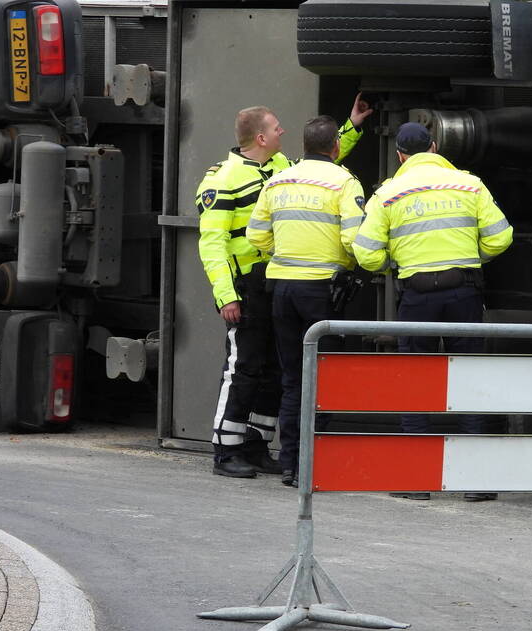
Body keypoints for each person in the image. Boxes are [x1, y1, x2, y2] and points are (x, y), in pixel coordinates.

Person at [196, 96, 372, 478]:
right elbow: (211, 243)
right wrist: (226, 295)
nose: (283, 132)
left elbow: (322, 163)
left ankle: (258, 444)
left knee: (276, 368)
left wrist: (351, 127)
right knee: (242, 367)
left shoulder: (280, 168)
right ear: (261, 137)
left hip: (275, 280)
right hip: (244, 287)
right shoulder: (222, 178)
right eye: (277, 128)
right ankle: (226, 451)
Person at [352, 122, 513, 501]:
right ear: (436, 146)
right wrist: (473, 260)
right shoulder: (469, 184)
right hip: (464, 292)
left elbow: (365, 252)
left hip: (416, 296)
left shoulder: (388, 194)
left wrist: (394, 263)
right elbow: (501, 236)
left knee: (416, 381)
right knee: (470, 379)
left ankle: (418, 480)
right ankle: (474, 483)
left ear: (400, 155)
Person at [247, 115, 367, 487]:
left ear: (304, 144)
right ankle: (311, 465)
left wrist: (283, 256)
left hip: (282, 287)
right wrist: (354, 264)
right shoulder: (344, 182)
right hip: (321, 290)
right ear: (334, 147)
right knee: (324, 378)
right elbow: (354, 238)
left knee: (291, 377)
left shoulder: (279, 180)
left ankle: (289, 462)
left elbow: (256, 235)